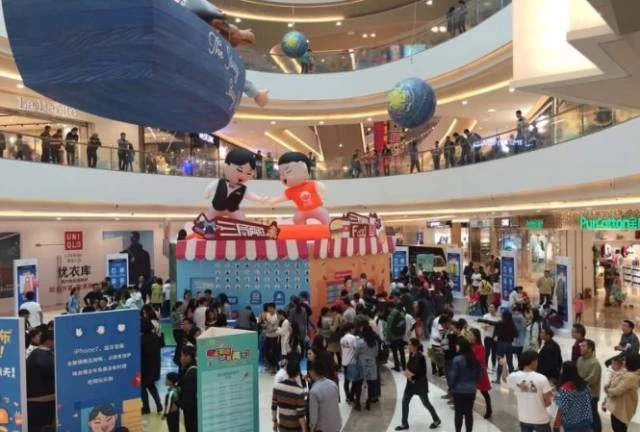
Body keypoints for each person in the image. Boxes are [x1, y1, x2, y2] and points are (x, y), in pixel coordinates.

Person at [395, 338, 441, 431]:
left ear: (414, 346)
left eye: (409, 344)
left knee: (426, 403)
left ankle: (436, 419)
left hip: (420, 385)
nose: (408, 346)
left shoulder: (421, 357)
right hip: (410, 384)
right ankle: (404, 424)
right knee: (404, 402)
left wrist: (412, 377)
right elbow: (410, 368)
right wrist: (408, 374)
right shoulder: (411, 354)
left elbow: (422, 373)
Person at [502, 350, 553, 432]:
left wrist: (504, 364)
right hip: (540, 419)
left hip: (524, 418)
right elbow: (548, 402)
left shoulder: (514, 376)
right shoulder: (542, 378)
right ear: (533, 362)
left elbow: (504, 379)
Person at [26, 328, 55, 432]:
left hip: (34, 404)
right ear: (49, 341)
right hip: (41, 405)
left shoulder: (35, 353)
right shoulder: (46, 358)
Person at [451, 337, 480, 432]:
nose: (456, 347)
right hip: (471, 390)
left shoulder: (457, 360)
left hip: (459, 391)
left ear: (461, 346)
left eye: (457, 345)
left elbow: (453, 376)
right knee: (469, 413)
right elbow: (478, 375)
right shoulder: (475, 359)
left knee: (458, 413)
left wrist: (452, 387)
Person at [554, 361, 593, 432]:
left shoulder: (565, 389)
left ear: (564, 372)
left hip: (571, 423)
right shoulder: (585, 385)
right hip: (586, 420)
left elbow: (562, 408)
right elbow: (590, 398)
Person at [606, 353, 640, 432]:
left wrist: (608, 390)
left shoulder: (630, 377)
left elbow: (617, 391)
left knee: (619, 428)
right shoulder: (625, 372)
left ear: (630, 362)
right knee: (616, 426)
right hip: (618, 406)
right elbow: (613, 381)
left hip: (623, 408)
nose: (623, 362)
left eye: (625, 360)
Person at [272, 357, 308, 432]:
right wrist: (304, 429)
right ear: (298, 373)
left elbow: (274, 407)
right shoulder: (299, 391)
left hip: (282, 426)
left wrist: (275, 422)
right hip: (295, 428)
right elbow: (300, 414)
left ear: (286, 370)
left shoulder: (277, 387)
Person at [308, 360, 342, 432]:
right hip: (336, 425)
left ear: (312, 372)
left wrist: (311, 429)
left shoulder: (314, 391)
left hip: (323, 428)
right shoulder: (333, 384)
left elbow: (313, 416)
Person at [577, 339, 602, 432]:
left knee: (593, 415)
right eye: (581, 345)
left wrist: (578, 384)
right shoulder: (580, 359)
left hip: (591, 395)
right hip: (580, 392)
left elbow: (592, 380)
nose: (580, 347)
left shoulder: (594, 363)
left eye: (583, 346)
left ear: (590, 349)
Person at [352, 324, 379, 411]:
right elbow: (376, 354)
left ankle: (358, 403)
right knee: (371, 384)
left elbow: (356, 354)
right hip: (372, 365)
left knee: (358, 384)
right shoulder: (374, 342)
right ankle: (368, 402)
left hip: (361, 365)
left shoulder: (360, 342)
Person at [140, 319, 163, 414]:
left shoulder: (141, 340)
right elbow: (162, 345)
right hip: (155, 366)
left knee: (142, 388)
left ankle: (146, 407)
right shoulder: (155, 337)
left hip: (144, 367)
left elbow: (140, 355)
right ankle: (158, 404)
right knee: (151, 385)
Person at [469, 328, 492, 418]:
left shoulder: (480, 347)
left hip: (479, 373)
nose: (469, 336)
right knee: (471, 391)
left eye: (471, 335)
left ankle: (489, 409)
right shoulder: (469, 346)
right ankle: (469, 407)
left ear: (476, 336)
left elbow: (480, 360)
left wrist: (470, 359)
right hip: (471, 372)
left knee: (484, 392)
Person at [178, 344, 197, 432]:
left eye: (182, 355)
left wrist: (177, 403)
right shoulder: (188, 368)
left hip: (192, 412)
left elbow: (188, 397)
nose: (180, 358)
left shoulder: (192, 372)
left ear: (188, 357)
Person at [494, 310, 517, 383]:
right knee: (510, 362)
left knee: (500, 362)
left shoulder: (500, 323)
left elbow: (496, 333)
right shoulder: (512, 324)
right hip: (509, 344)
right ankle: (512, 380)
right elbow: (516, 334)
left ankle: (498, 379)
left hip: (501, 344)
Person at [386, 303, 407, 371]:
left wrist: (388, 337)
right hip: (400, 336)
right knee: (402, 352)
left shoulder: (391, 315)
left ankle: (397, 367)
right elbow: (404, 325)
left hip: (393, 337)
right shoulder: (402, 315)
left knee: (395, 353)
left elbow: (389, 328)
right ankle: (404, 366)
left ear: (390, 308)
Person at [340, 322, 358, 402]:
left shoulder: (342, 339)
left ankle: (347, 396)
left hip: (344, 362)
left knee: (346, 380)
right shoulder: (353, 338)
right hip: (352, 362)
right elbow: (356, 348)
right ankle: (351, 396)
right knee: (354, 380)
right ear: (351, 329)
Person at [479, 303, 499, 370]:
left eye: (492, 307)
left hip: (495, 338)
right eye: (490, 307)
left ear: (495, 309)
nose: (490, 309)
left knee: (494, 352)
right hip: (487, 337)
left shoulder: (498, 317)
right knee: (487, 352)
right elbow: (482, 325)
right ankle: (486, 366)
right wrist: (486, 326)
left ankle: (494, 365)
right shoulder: (486, 316)